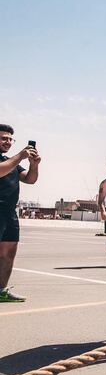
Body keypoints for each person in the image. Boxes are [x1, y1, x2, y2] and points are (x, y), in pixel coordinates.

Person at [0, 124, 40, 303]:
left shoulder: (11, 162)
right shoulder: (10, 162)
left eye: (10, 139)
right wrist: (20, 156)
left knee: (9, 252)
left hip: (9, 213)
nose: (8, 142)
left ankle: (1, 290)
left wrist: (34, 164)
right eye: (3, 138)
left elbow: (30, 179)